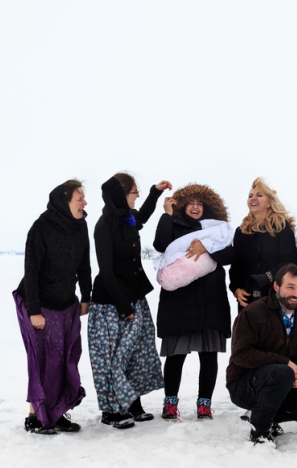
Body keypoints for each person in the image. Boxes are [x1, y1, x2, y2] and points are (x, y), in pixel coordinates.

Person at [88, 174, 171, 429]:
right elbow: (106, 271)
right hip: (112, 303)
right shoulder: (104, 226)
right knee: (112, 358)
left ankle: (132, 403)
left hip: (134, 297)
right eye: (133, 192)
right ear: (121, 195)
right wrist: (124, 307)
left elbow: (142, 216)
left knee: (137, 353)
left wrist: (154, 193)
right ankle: (112, 410)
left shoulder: (127, 219)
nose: (136, 196)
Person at [13, 179, 91, 434]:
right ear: (64, 200)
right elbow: (31, 270)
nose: (85, 203)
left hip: (66, 301)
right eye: (80, 198)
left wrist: (85, 296)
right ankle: (34, 417)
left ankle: (56, 413)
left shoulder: (80, 226)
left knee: (65, 359)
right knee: (43, 360)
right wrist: (34, 310)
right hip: (39, 303)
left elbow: (84, 264)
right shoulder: (42, 228)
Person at [227, 264, 297, 445]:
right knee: (283, 371)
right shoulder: (253, 313)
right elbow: (240, 355)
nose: (296, 293)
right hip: (244, 385)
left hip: (281, 384)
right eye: (290, 287)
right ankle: (260, 430)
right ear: (276, 287)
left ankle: (268, 415)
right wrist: (284, 362)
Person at [153, 183, 234, 421]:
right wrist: (167, 215)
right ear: (183, 206)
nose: (196, 207)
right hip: (179, 301)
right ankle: (170, 403)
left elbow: (230, 254)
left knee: (208, 355)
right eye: (191, 203)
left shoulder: (217, 230)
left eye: (200, 203)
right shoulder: (173, 225)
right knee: (176, 355)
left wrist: (206, 246)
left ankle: (204, 404)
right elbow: (160, 245)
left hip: (210, 299)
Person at [229, 177, 297, 311]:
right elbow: (236, 267)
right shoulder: (241, 232)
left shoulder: (282, 228)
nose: (253, 198)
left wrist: (267, 277)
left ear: (269, 203)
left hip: (275, 297)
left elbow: (290, 262)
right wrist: (237, 290)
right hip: (248, 302)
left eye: (259, 195)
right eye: (250, 196)